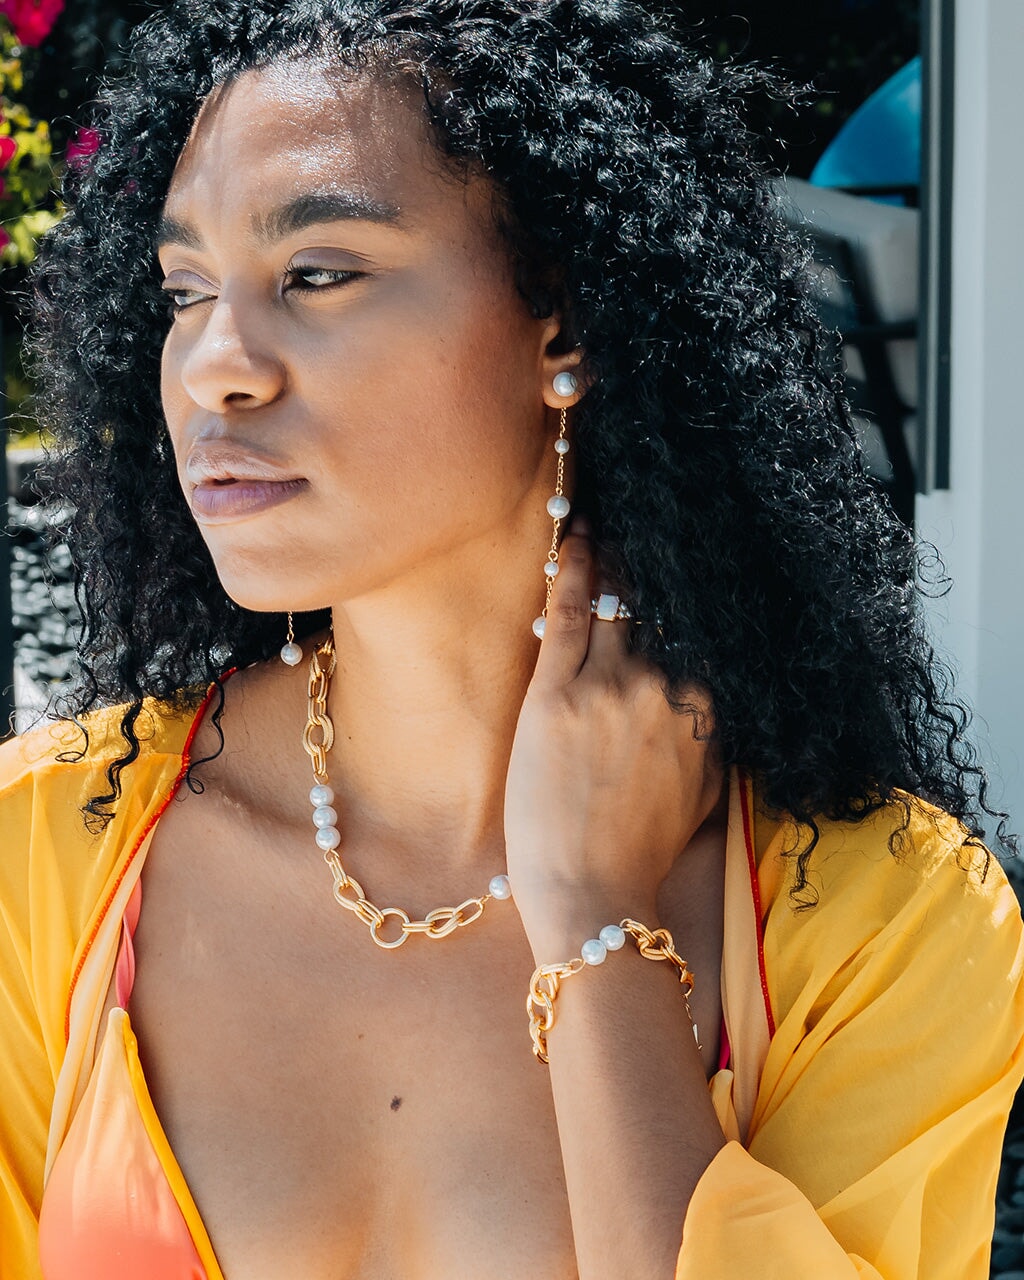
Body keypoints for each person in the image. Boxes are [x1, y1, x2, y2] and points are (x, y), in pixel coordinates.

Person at [3, 1, 1023, 1276]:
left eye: (317, 273)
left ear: (565, 324)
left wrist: (597, 925)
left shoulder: (883, 920)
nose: (215, 365)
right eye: (186, 290)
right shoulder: (45, 853)